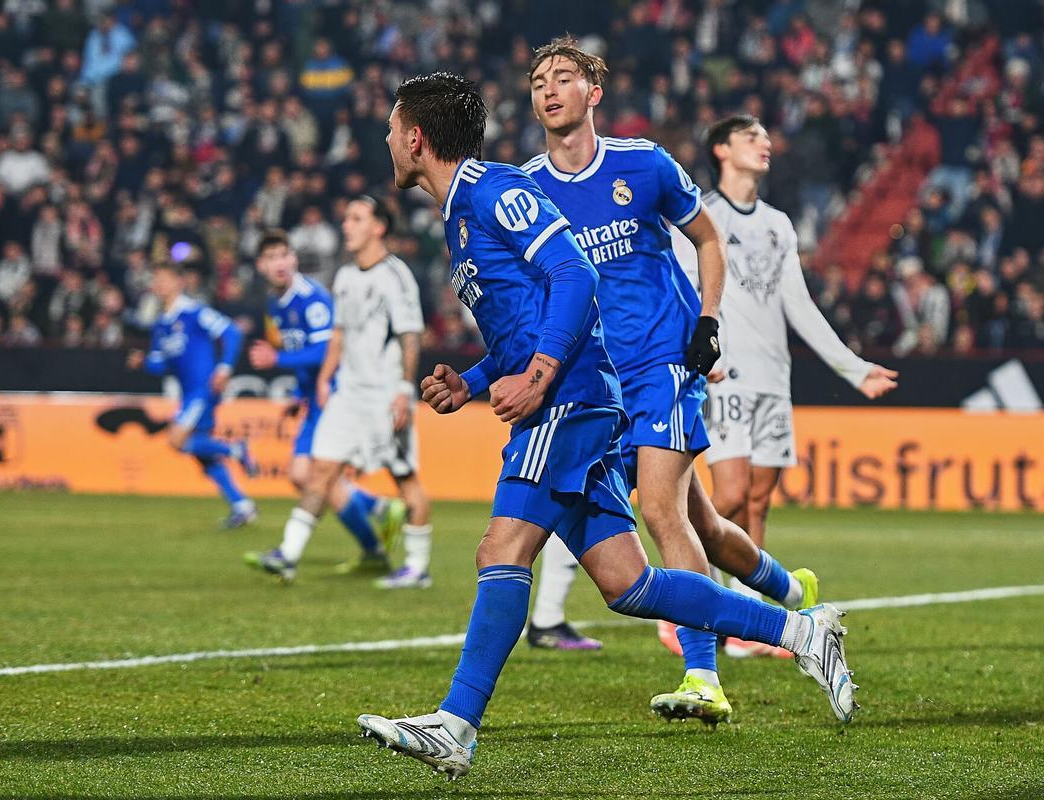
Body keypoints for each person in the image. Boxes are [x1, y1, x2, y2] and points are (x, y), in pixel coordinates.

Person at [356, 72, 856, 780]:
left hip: (572, 396)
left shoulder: (496, 192)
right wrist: (466, 384)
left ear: (415, 138)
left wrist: (537, 376)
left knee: (502, 549)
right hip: (569, 392)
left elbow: (576, 276)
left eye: (390, 128)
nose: (385, 141)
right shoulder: (462, 210)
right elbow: (519, 325)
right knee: (627, 584)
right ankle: (801, 630)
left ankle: (457, 724)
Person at [520, 38, 819, 724]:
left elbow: (708, 239)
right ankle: (792, 592)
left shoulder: (643, 163)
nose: (549, 89)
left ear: (593, 93)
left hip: (663, 362)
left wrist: (708, 323)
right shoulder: (527, 187)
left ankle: (703, 676)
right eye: (539, 80)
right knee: (702, 523)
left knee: (658, 511)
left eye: (564, 77)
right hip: (599, 379)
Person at [672, 114, 898, 656]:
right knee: (724, 497)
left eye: (766, 138)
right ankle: (688, 607)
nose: (765, 144)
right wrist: (701, 354)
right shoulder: (702, 217)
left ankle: (746, 628)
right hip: (727, 373)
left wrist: (852, 367)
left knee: (759, 499)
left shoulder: (777, 224)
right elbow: (681, 288)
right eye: (752, 137)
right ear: (722, 149)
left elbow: (799, 305)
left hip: (775, 378)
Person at [243, 231, 406, 583]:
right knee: (309, 477)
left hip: (337, 396)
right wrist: (300, 395)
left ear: (294, 259)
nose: (279, 263)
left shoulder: (311, 299)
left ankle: (353, 545)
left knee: (309, 476)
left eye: (284, 254)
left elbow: (328, 349)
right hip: (316, 399)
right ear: (261, 266)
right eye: (271, 257)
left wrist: (277, 358)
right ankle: (375, 516)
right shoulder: (275, 302)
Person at [317, 197, 434, 589]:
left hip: (387, 396)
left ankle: (417, 568)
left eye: (356, 218)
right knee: (324, 468)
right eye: (346, 217)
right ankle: (376, 544)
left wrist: (404, 388)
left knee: (405, 477)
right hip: (353, 395)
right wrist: (326, 377)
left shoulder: (395, 275)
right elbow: (339, 335)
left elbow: (410, 335)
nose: (346, 225)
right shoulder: (346, 276)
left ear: (378, 227)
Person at [126, 261, 259, 528]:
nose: (160, 284)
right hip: (188, 394)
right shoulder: (161, 325)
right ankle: (242, 505)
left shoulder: (194, 312)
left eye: (166, 278)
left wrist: (224, 368)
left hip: (204, 390)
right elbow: (162, 365)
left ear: (179, 282)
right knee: (201, 453)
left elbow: (232, 332)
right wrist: (143, 363)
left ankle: (235, 449)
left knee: (177, 440)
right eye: (157, 279)